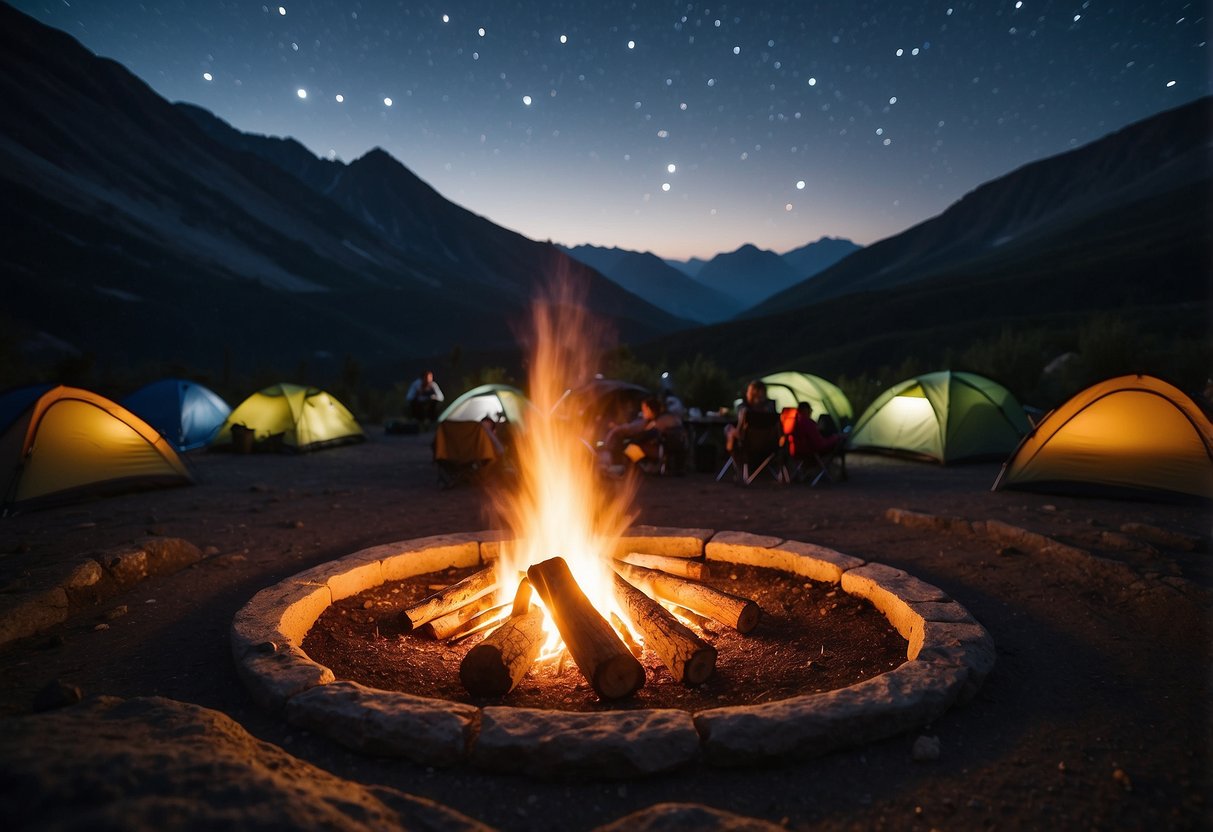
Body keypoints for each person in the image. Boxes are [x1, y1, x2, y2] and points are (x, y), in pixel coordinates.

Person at [601, 396, 684, 474]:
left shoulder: (660, 421)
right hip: (669, 450)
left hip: (663, 451)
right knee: (632, 444)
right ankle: (642, 467)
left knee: (631, 447)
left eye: (644, 409)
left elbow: (646, 434)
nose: (643, 412)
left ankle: (640, 468)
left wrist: (627, 435)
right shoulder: (665, 418)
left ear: (649, 409)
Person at [725, 379, 776, 453]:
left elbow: (739, 432)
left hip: (748, 446)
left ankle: (738, 463)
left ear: (750, 394)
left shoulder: (745, 412)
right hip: (769, 446)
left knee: (728, 428)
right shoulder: (770, 410)